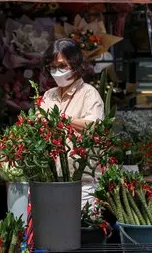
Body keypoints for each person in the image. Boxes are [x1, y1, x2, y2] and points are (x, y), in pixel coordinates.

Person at [40, 38, 105, 205]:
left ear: (75, 65)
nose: (57, 72)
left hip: (82, 182)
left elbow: (95, 126)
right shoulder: (49, 95)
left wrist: (63, 119)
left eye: (62, 66)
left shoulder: (89, 94)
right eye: (53, 67)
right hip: (52, 180)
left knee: (81, 229)